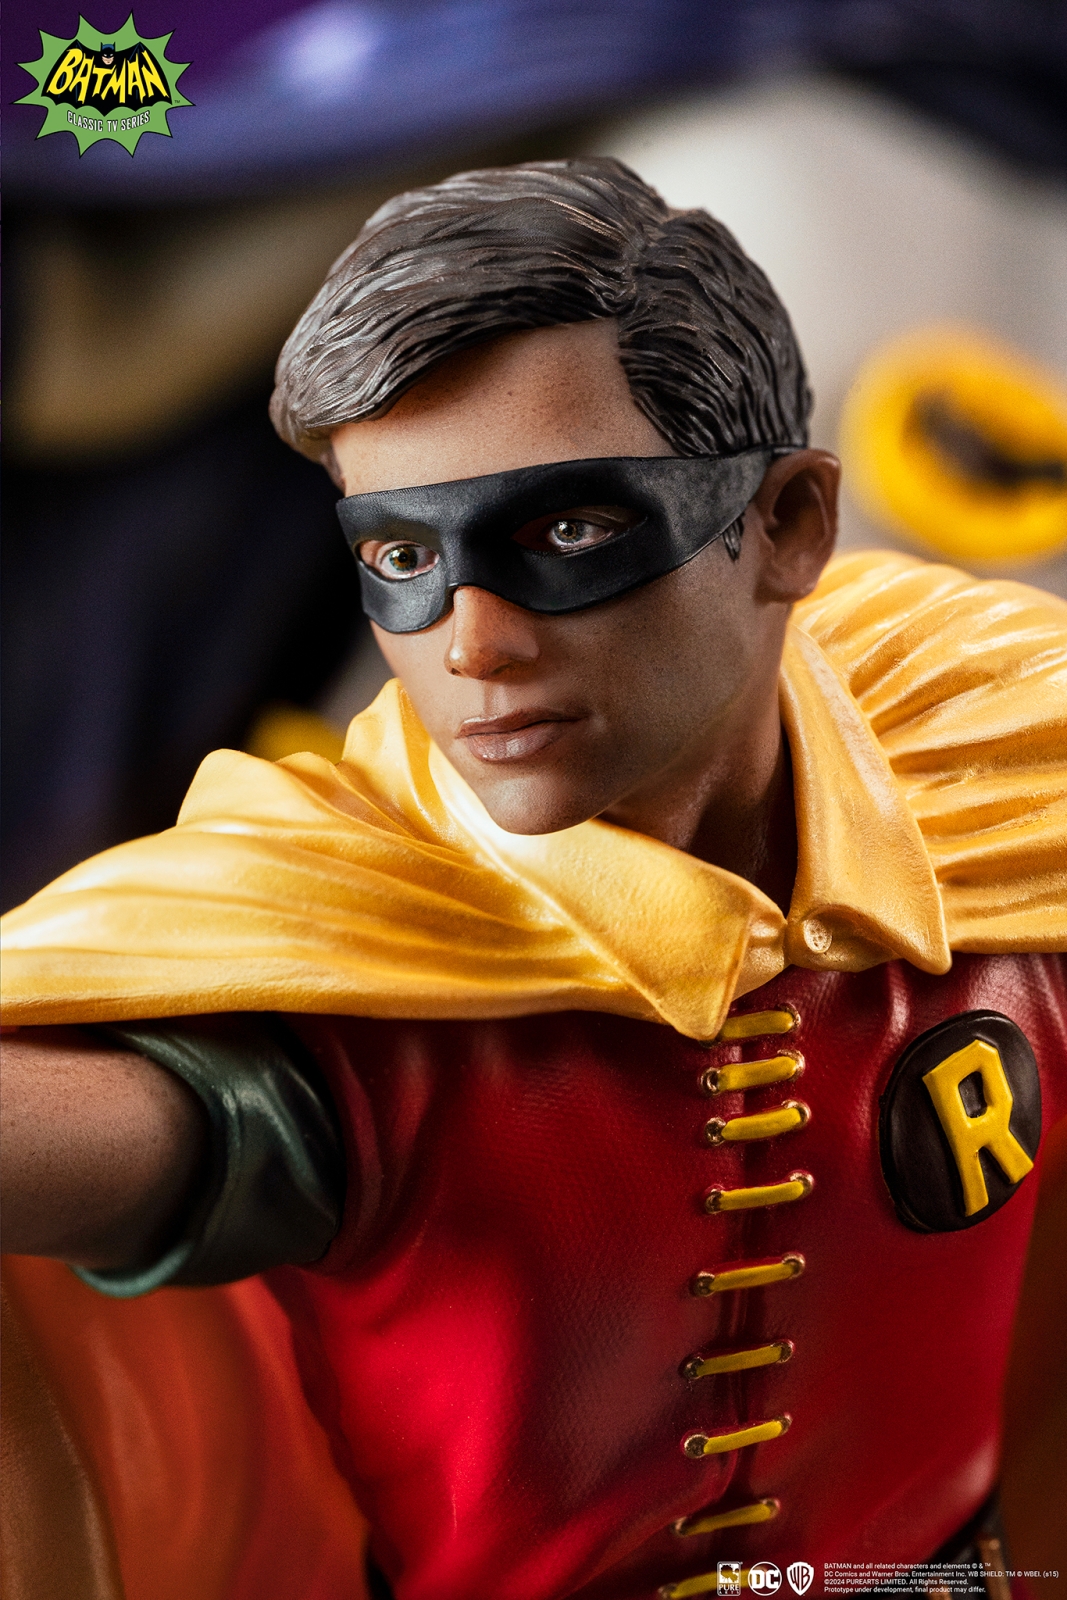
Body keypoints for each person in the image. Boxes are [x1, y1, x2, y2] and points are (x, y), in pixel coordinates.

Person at [2, 159, 1065, 1600]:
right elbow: (156, 1128)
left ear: (790, 525)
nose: (474, 643)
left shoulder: (1003, 770)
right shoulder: (353, 960)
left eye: (568, 532)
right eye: (402, 555)